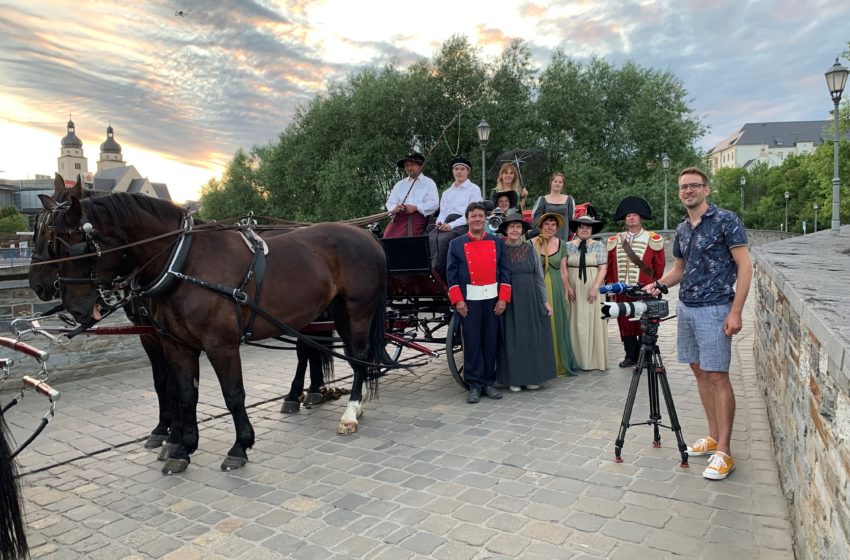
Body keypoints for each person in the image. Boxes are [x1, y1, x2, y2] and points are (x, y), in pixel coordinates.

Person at [643, 166, 751, 481]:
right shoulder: (683, 229)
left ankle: (725, 453)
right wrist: (660, 285)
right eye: (683, 187)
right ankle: (714, 435)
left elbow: (745, 267)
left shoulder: (726, 221)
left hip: (716, 309)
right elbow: (679, 270)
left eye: (694, 186)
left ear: (706, 189)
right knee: (699, 372)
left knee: (718, 376)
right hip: (687, 309)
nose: (688, 191)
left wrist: (736, 311)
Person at [447, 201, 512, 404]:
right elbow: (452, 276)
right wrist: (458, 301)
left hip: (492, 299)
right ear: (467, 219)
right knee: (473, 342)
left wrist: (503, 298)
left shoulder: (496, 242)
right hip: (470, 301)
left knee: (490, 341)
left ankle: (488, 383)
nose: (477, 219)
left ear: (485, 219)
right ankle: (474, 384)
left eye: (480, 216)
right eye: (473, 216)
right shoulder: (455, 244)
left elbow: (504, 271)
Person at [495, 213, 556, 392]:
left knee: (531, 337)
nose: (515, 230)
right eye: (511, 227)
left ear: (522, 230)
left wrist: (545, 301)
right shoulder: (500, 249)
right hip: (510, 300)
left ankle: (532, 377)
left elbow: (538, 277)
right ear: (506, 230)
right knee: (513, 338)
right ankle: (514, 378)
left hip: (530, 298)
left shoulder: (530, 249)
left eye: (518, 227)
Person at [605, 196, 666, 367]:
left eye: (634, 215)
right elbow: (610, 267)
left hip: (644, 290)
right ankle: (630, 355)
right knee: (625, 323)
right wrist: (610, 287)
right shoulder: (615, 240)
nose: (631, 218)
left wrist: (655, 285)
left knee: (644, 323)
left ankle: (645, 357)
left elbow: (659, 266)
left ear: (640, 218)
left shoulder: (652, 239)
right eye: (628, 216)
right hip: (622, 290)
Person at [531, 212, 578, 376]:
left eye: (553, 225)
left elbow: (564, 271)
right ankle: (541, 363)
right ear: (540, 226)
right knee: (540, 324)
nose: (550, 227)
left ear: (557, 228)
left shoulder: (562, 244)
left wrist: (566, 290)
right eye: (547, 224)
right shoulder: (531, 243)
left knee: (556, 324)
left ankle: (558, 363)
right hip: (536, 287)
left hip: (556, 286)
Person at [564, 215, 608, 371]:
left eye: (588, 227)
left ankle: (593, 360)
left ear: (592, 230)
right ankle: (575, 359)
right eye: (581, 227)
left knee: (593, 320)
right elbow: (563, 269)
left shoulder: (599, 245)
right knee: (574, 321)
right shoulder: (567, 246)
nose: (584, 229)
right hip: (573, 289)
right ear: (576, 228)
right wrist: (567, 286)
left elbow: (603, 268)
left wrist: (596, 287)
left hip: (592, 289)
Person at [430, 156, 483, 281]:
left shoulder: (474, 189)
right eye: (456, 169)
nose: (459, 172)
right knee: (429, 236)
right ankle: (428, 272)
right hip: (447, 222)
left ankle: (441, 274)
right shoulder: (447, 192)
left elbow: (472, 214)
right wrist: (440, 222)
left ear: (467, 171)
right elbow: (443, 212)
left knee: (447, 240)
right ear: (453, 171)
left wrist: (451, 225)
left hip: (464, 223)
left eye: (462, 169)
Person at [384, 152, 439, 238]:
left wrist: (416, 208)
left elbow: (434, 204)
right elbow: (390, 203)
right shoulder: (399, 185)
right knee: (388, 236)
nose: (409, 168)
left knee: (409, 238)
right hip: (399, 219)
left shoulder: (429, 183)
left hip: (419, 218)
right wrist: (395, 209)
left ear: (420, 166)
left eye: (412, 165)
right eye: (407, 165)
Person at [530, 172, 576, 241]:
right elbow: (536, 221)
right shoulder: (542, 199)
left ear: (563, 185)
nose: (557, 183)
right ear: (551, 183)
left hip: (563, 235)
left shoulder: (569, 199)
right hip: (545, 236)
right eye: (555, 181)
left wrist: (569, 234)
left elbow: (571, 220)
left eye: (560, 182)